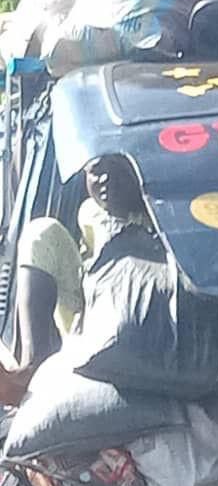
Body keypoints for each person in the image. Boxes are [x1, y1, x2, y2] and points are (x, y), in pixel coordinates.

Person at [0, 154, 150, 406]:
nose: (105, 178)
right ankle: (34, 367)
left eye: (117, 169)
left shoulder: (164, 214)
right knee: (41, 232)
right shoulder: (90, 215)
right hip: (91, 318)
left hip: (144, 326)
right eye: (96, 170)